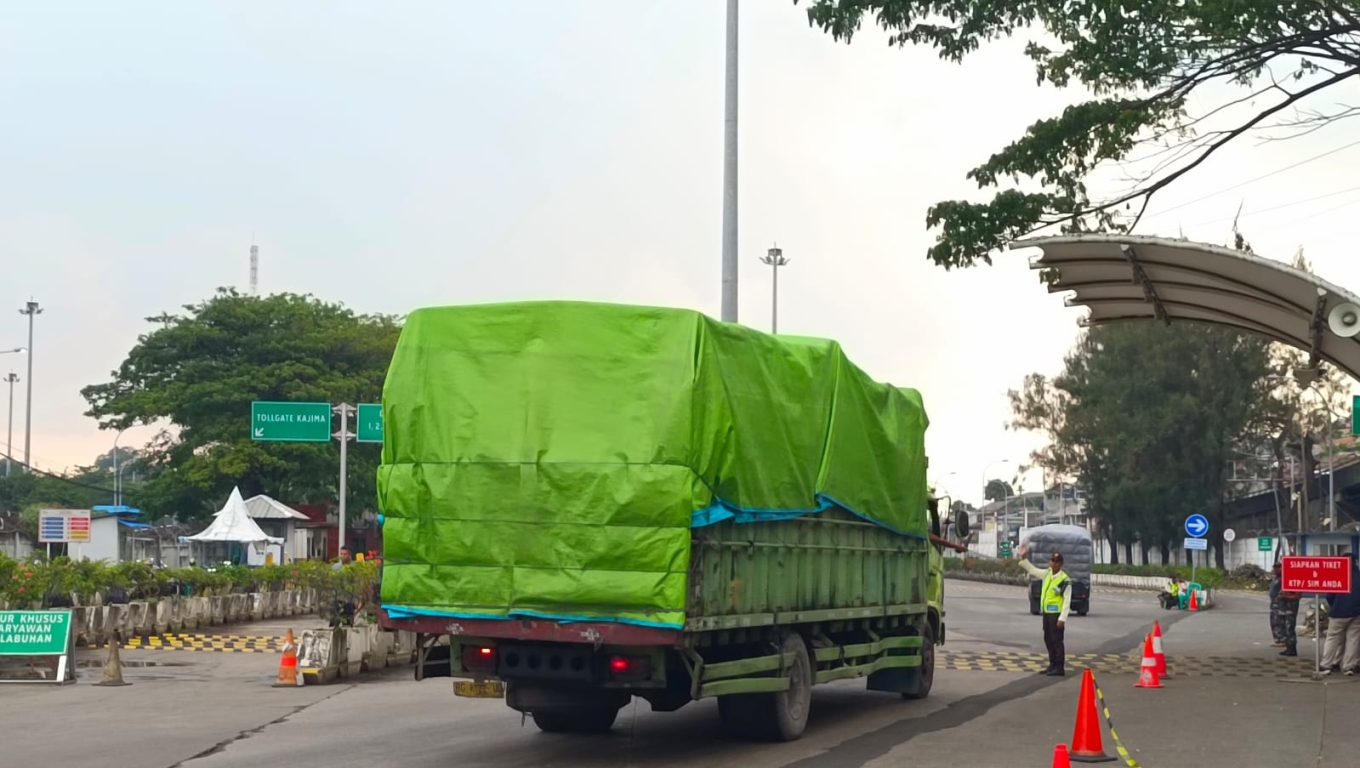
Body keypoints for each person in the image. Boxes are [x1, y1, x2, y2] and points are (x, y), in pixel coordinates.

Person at [1016, 542, 1071, 676]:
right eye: (1052, 560)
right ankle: (1052, 664)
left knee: (1057, 641)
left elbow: (1067, 601)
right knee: (1048, 639)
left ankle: (1059, 667)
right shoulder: (1047, 574)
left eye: (1057, 561)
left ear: (1061, 564)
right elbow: (1033, 570)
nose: (1054, 564)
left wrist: (1062, 618)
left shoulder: (1065, 580)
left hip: (1056, 615)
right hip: (1047, 613)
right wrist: (1024, 558)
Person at [1320, 553, 1360, 676]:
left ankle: (1326, 665)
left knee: (1332, 638)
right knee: (1353, 640)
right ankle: (1348, 667)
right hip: (1356, 613)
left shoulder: (1337, 575)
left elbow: (1329, 596)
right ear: (1356, 562)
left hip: (1338, 613)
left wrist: (1335, 605)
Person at [1269, 562, 1288, 647]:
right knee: (1274, 621)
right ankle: (1277, 639)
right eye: (1275, 568)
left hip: (1280, 604)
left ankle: (1283, 639)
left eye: (1278, 568)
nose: (1276, 569)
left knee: (1279, 622)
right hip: (1274, 603)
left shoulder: (1284, 578)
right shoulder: (1275, 578)